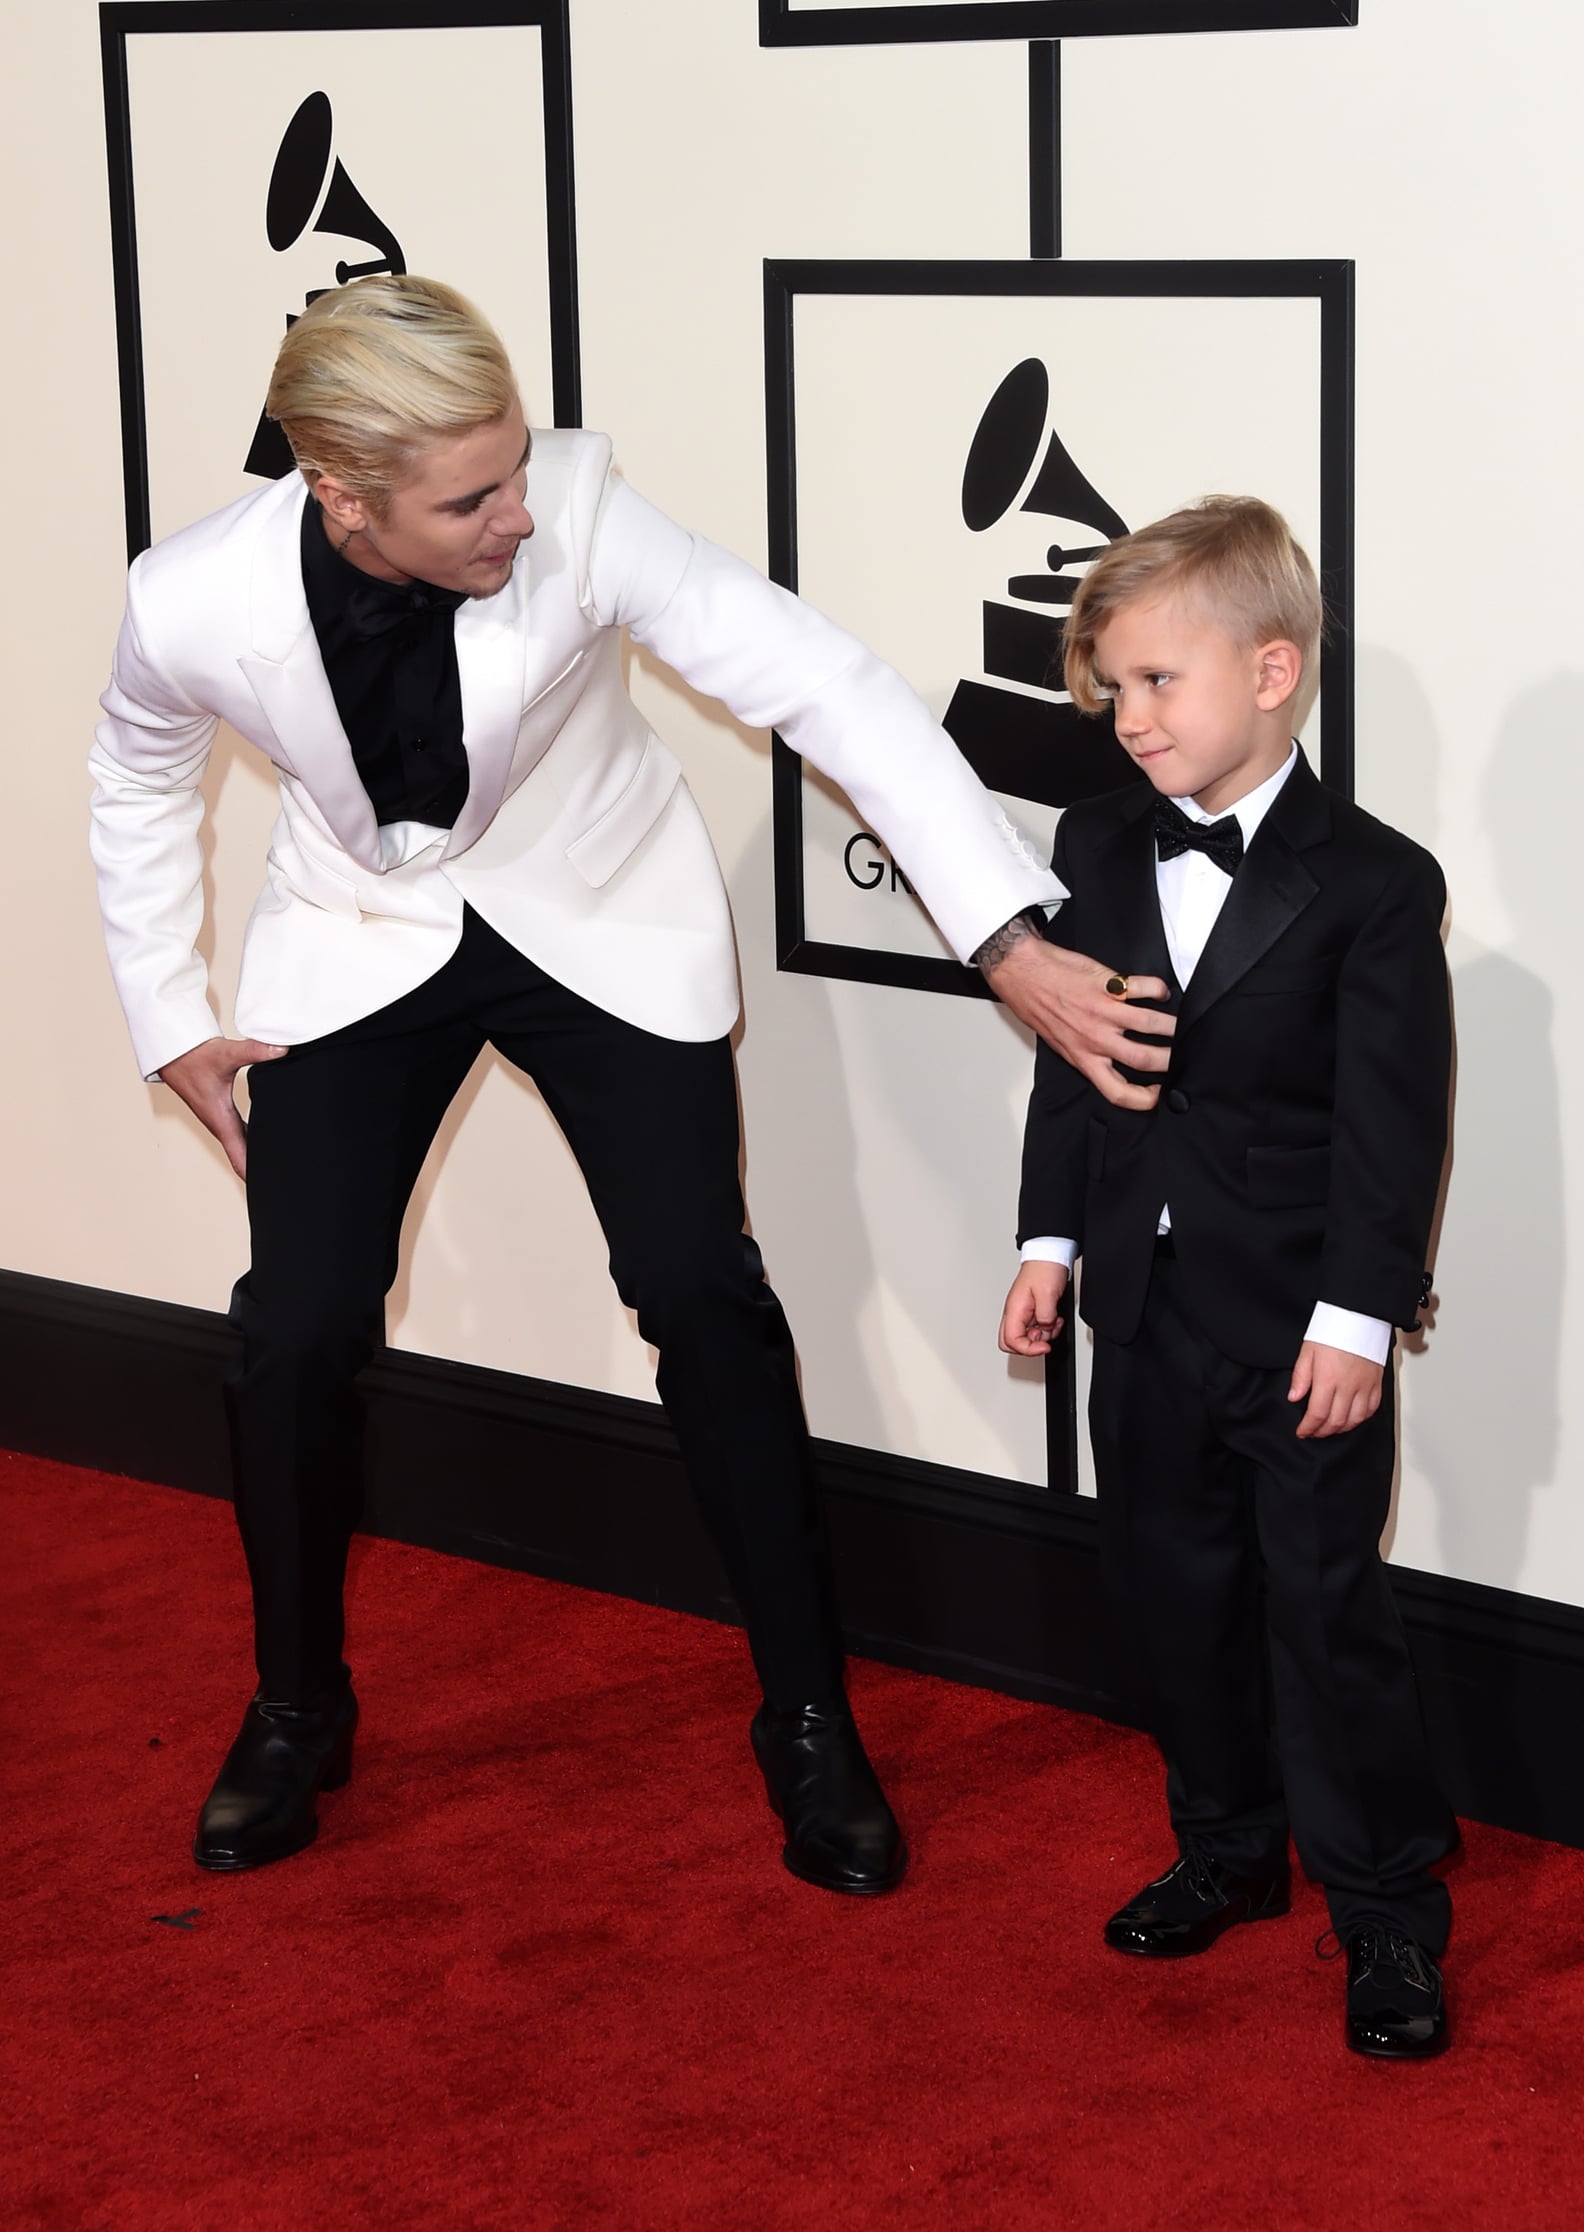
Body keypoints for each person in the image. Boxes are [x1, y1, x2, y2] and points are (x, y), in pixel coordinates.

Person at [90, 275, 1173, 1892]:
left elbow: (826, 684)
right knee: (296, 1325)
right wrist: (168, 1008)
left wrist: (1005, 937)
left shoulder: (580, 509)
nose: (521, 513)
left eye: (521, 466)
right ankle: (298, 1705)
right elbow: (138, 766)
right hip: (360, 930)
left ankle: (806, 1718)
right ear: (343, 493)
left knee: (700, 1293)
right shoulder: (191, 601)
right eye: (474, 497)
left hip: (594, 907)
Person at [998, 497, 1457, 2058]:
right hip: (1143, 1303)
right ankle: (1228, 1850)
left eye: (1153, 684)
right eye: (1109, 688)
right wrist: (1047, 1241)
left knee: (1328, 1618)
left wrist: (1359, 1320)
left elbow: (1397, 1129)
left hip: (1302, 1324)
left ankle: (1388, 1910)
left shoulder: (1378, 885)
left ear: (1274, 670)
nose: (1126, 722)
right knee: (1173, 1594)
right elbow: (1078, 1064)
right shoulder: (1098, 842)